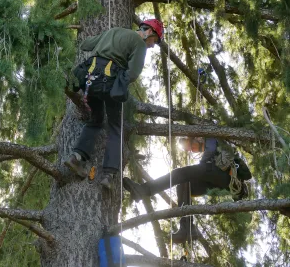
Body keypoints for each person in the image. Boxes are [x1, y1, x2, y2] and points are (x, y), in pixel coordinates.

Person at [65, 19, 164, 189]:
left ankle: (76, 158)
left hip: (89, 78)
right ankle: (109, 175)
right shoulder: (139, 44)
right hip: (109, 81)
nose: (152, 46)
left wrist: (106, 40)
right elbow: (133, 73)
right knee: (115, 128)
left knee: (95, 120)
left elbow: (86, 45)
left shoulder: (114, 31)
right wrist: (119, 83)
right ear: (149, 32)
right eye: (154, 41)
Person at [123, 137, 252, 244]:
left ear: (197, 138)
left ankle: (143, 190)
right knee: (184, 184)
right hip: (218, 179)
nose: (191, 150)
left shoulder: (211, 139)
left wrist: (198, 168)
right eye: (188, 149)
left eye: (190, 146)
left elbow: (210, 152)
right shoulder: (208, 153)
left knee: (179, 174)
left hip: (225, 177)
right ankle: (187, 227)